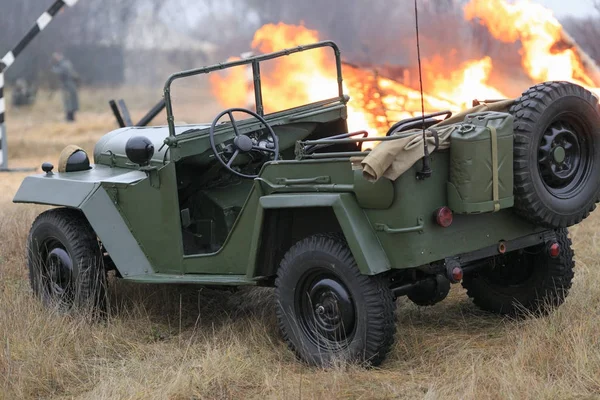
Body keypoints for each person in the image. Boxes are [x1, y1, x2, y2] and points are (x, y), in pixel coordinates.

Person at [51, 52, 79, 122]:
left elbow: (60, 72)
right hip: (69, 84)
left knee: (68, 101)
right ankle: (70, 117)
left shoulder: (63, 64)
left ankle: (70, 118)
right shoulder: (66, 63)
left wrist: (53, 68)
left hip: (67, 85)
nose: (55, 59)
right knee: (70, 101)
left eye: (56, 57)